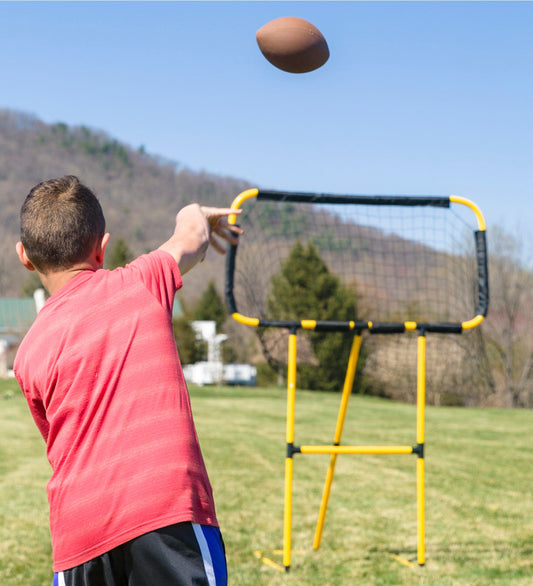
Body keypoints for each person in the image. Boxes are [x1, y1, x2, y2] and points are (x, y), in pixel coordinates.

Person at [13, 175, 243, 586]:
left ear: (24, 257)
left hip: (78, 531)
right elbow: (190, 235)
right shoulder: (142, 282)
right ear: (101, 249)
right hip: (167, 512)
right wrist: (198, 216)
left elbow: (58, 441)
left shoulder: (28, 353)